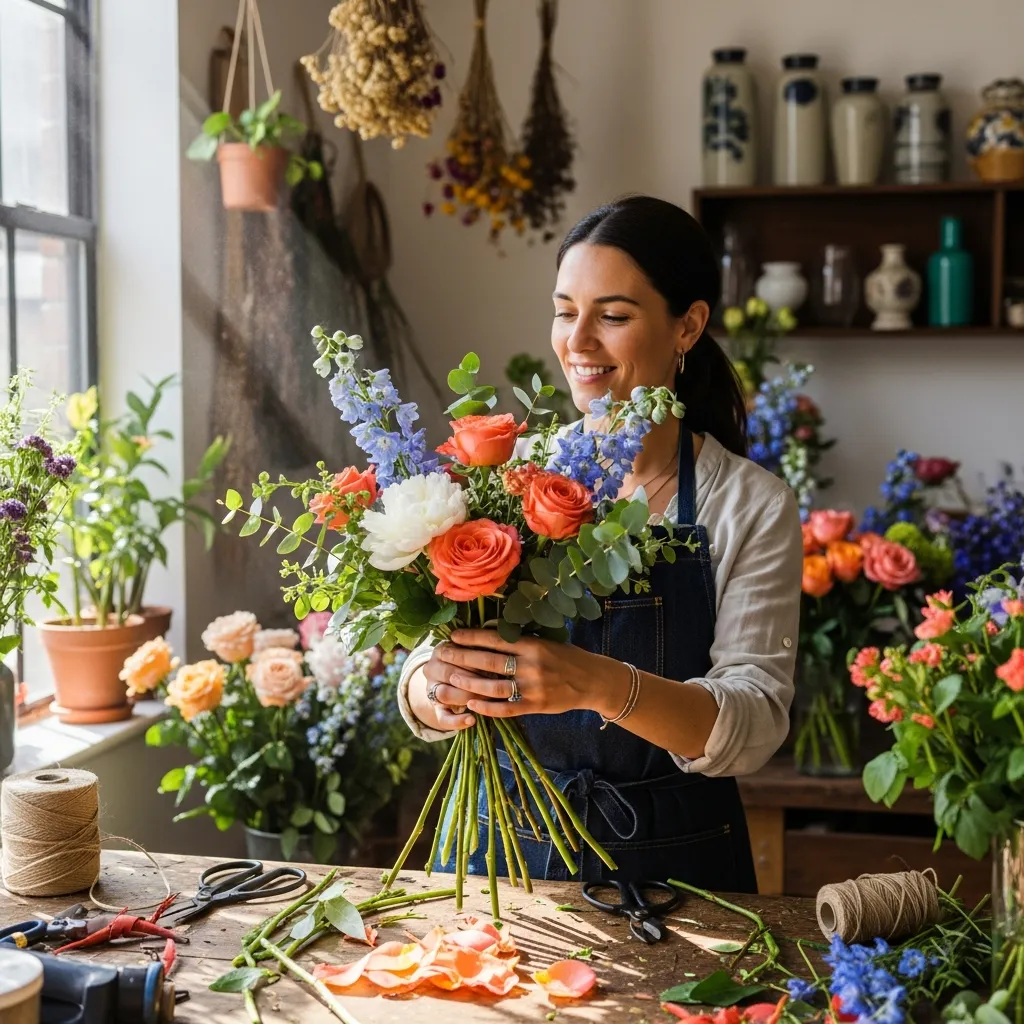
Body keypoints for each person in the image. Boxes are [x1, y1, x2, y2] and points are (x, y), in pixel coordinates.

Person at [396, 195, 803, 892]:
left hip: (678, 871)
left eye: (612, 316)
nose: (577, 341)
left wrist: (594, 683)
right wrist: (432, 690)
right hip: (497, 860)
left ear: (689, 325)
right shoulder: (510, 475)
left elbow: (755, 722)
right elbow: (427, 656)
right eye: (564, 310)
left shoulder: (749, 504)